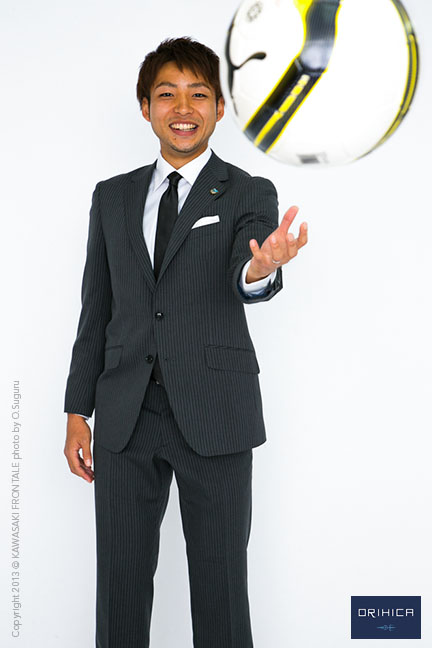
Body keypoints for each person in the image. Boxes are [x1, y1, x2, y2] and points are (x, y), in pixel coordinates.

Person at [63, 36, 308, 648]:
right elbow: (97, 310)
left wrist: (261, 268)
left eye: (198, 94)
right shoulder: (112, 197)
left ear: (219, 108)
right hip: (125, 415)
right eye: (167, 93)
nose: (182, 107)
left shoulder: (248, 192)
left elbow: (247, 271)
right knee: (119, 590)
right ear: (145, 107)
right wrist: (76, 411)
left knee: (221, 589)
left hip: (216, 413)